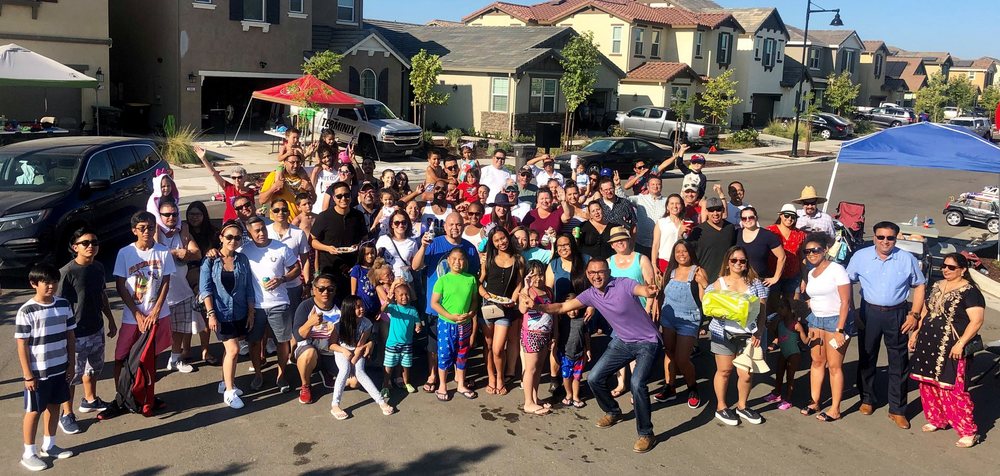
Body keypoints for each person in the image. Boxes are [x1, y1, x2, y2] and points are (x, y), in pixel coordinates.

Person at [535, 260, 660, 453]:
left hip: (647, 341)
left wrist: (649, 291)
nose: (596, 276)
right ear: (587, 274)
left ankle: (646, 434)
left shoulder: (623, 284)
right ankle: (613, 411)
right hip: (623, 341)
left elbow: (642, 290)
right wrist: (536, 307)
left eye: (601, 272)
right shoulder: (590, 294)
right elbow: (560, 308)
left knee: (637, 384)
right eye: (592, 272)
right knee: (594, 378)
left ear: (608, 272)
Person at [847, 221, 926, 429]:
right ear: (874, 237)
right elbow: (846, 283)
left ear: (896, 239)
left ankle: (897, 409)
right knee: (867, 357)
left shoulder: (906, 259)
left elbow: (919, 285)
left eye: (890, 238)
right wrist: (853, 311)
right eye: (880, 237)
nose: (885, 241)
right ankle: (867, 399)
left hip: (897, 314)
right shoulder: (860, 256)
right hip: (868, 312)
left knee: (899, 361)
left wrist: (914, 314)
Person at [909, 253, 983, 448]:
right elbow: (926, 311)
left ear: (963, 270)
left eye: (951, 267)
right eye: (944, 266)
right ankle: (937, 418)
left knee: (953, 388)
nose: (945, 270)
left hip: (951, 347)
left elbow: (976, 321)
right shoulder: (936, 285)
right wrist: (916, 333)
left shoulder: (970, 292)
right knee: (927, 383)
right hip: (928, 342)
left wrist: (961, 343)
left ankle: (968, 431)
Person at [16, 263, 77, 471]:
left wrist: (71, 364)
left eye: (54, 282)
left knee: (55, 405)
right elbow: (22, 345)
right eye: (46, 282)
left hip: (60, 368)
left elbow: (70, 335)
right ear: (34, 284)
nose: (51, 286)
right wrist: (28, 375)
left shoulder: (63, 304)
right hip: (38, 373)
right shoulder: (27, 311)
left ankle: (49, 445)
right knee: (34, 411)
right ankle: (28, 453)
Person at [411, 213, 481, 392]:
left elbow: (474, 276)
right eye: (451, 224)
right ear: (445, 225)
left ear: (463, 226)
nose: (455, 228)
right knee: (434, 345)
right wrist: (423, 246)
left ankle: (459, 377)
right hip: (437, 306)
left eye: (458, 224)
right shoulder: (434, 243)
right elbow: (415, 266)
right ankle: (432, 375)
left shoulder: (469, 248)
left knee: (459, 345)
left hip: (460, 308)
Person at [57, 229, 117, 435]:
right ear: (75, 247)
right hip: (75, 332)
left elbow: (102, 295)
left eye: (94, 242)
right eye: (85, 243)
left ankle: (90, 400)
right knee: (71, 375)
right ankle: (67, 414)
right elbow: (57, 305)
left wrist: (110, 320)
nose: (91, 246)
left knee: (93, 368)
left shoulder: (98, 267)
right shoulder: (67, 272)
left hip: (96, 327)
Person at [708, 246, 768, 427]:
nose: (738, 263)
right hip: (723, 332)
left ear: (746, 263)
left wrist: (759, 331)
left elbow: (762, 310)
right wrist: (718, 312)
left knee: (746, 374)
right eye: (734, 260)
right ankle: (721, 407)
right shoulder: (719, 283)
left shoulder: (755, 283)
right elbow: (709, 306)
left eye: (742, 260)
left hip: (748, 335)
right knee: (724, 371)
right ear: (728, 262)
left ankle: (742, 406)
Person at [199, 220, 256, 409]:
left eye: (237, 238)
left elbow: (248, 287)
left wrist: (251, 311)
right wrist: (211, 314)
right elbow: (205, 289)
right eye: (229, 237)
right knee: (233, 350)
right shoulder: (210, 260)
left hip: (239, 311)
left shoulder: (242, 259)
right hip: (220, 313)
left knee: (229, 350)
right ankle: (230, 392)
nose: (233, 241)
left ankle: (225, 382)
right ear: (221, 238)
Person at [242, 216, 301, 393]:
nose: (261, 233)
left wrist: (282, 279)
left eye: (263, 229)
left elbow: (296, 268)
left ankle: (281, 375)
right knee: (254, 342)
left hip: (279, 303)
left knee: (282, 342)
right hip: (255, 306)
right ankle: (258, 375)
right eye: (256, 231)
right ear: (249, 234)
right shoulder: (245, 251)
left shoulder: (280, 247)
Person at [113, 212, 174, 382]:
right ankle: (121, 392)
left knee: (151, 355)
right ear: (134, 230)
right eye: (142, 228)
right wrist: (137, 313)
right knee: (121, 355)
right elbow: (120, 285)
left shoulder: (163, 251)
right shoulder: (125, 253)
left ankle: (146, 390)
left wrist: (156, 311)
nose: (147, 231)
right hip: (133, 316)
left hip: (158, 313)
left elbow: (166, 282)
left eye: (150, 228)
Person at [798, 232, 852, 421]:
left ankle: (835, 409)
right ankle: (814, 402)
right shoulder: (811, 273)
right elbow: (815, 297)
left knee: (834, 366)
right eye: (807, 252)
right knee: (816, 362)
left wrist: (840, 329)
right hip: (816, 321)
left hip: (835, 321)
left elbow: (845, 301)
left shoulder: (837, 269)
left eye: (815, 250)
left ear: (826, 249)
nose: (811, 254)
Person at [654, 240, 707, 407]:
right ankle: (670, 387)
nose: (681, 254)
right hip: (668, 318)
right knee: (669, 352)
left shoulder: (698, 271)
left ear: (691, 253)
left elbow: (704, 300)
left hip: (689, 320)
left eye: (685, 251)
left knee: (682, 359)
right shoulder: (670, 271)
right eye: (678, 251)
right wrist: (658, 311)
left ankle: (692, 387)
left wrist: (704, 284)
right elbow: (662, 294)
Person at [156, 201, 203, 374]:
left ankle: (175, 359)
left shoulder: (181, 234)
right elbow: (152, 253)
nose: (171, 217)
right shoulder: (154, 233)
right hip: (158, 295)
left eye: (174, 214)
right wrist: (175, 253)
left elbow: (197, 253)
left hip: (181, 292)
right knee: (155, 332)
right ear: (159, 216)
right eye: (166, 215)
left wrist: (187, 253)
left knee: (179, 330)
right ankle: (148, 364)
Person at [329, 297, 395, 419]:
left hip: (357, 351)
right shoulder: (338, 324)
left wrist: (353, 362)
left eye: (362, 306)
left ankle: (381, 402)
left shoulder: (366, 323)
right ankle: (335, 405)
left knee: (360, 372)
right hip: (341, 351)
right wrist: (344, 351)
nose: (362, 309)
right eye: (358, 307)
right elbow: (332, 345)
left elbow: (360, 346)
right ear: (349, 310)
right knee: (344, 370)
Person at [478, 227, 524, 396]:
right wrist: (486, 295)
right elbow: (479, 282)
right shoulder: (488, 259)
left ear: (508, 237)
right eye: (496, 240)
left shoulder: (518, 259)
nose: (501, 242)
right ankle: (492, 378)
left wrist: (513, 298)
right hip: (488, 307)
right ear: (492, 243)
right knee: (488, 345)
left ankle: (500, 378)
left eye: (503, 238)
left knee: (498, 348)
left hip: (505, 309)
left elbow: (520, 282)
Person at [429, 248, 480, 401]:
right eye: (454, 259)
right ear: (449, 261)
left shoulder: (471, 279)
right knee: (445, 354)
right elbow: (434, 303)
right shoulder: (443, 280)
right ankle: (442, 385)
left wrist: (470, 313)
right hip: (446, 324)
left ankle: (461, 384)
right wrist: (450, 316)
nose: (457, 262)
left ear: (465, 262)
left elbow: (474, 300)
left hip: (465, 324)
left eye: (461, 259)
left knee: (462, 354)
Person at [310, 181, 367, 303]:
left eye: (346, 195)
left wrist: (358, 245)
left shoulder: (358, 215)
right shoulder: (324, 217)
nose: (343, 199)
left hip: (353, 268)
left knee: (351, 303)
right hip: (330, 268)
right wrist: (328, 248)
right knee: (331, 303)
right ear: (334, 198)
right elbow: (312, 241)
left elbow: (364, 238)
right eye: (339, 196)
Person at [292, 275, 341, 405]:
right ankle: (305, 386)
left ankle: (326, 371)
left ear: (335, 290)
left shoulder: (341, 305)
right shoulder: (305, 306)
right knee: (309, 353)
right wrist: (310, 323)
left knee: (354, 382)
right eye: (321, 289)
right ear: (314, 289)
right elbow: (298, 336)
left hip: (332, 352)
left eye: (330, 289)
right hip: (311, 350)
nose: (325, 292)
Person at [518, 261, 555, 415]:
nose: (538, 278)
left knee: (538, 367)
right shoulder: (527, 291)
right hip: (531, 334)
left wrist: (555, 334)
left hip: (545, 334)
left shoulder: (548, 291)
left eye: (540, 274)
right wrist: (526, 288)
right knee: (530, 368)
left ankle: (534, 397)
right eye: (533, 275)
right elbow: (522, 309)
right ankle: (528, 402)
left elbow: (553, 312)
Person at [268, 198, 311, 315]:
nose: (280, 213)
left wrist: (307, 284)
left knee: (294, 319)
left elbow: (305, 260)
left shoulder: (298, 233)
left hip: (293, 285)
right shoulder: (265, 232)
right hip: (271, 286)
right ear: (271, 212)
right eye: (276, 210)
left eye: (284, 210)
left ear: (288, 212)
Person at [764, 296, 806, 411]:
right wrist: (773, 340)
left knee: (790, 377)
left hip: (794, 353)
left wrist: (812, 338)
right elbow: (777, 336)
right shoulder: (780, 322)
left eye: (781, 307)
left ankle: (788, 399)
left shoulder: (796, 324)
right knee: (779, 373)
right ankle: (777, 393)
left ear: (788, 309)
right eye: (778, 308)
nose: (779, 310)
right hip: (783, 352)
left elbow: (805, 340)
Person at [381, 281, 422, 395]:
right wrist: (387, 301)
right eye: (401, 295)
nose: (404, 297)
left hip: (407, 343)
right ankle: (385, 385)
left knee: (406, 364)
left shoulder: (413, 310)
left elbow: (418, 322)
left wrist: (418, 327)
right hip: (393, 343)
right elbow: (383, 310)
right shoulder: (393, 308)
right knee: (389, 365)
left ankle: (406, 382)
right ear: (395, 297)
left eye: (407, 294)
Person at [195, 146, 255, 222]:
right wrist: (203, 159)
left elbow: (252, 209)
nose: (236, 180)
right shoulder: (228, 187)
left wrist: (257, 212)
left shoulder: (250, 192)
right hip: (229, 222)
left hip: (244, 222)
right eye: (234, 178)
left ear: (245, 177)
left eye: (239, 177)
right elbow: (214, 173)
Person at [688, 197, 736, 283]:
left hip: (726, 279)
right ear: (706, 211)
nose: (715, 213)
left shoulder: (730, 228)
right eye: (711, 210)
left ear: (723, 210)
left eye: (718, 209)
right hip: (705, 279)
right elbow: (687, 251)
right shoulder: (698, 230)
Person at [766, 204, 807, 305]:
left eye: (793, 217)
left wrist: (804, 278)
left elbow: (802, 257)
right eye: (787, 215)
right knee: (773, 304)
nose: (789, 219)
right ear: (780, 215)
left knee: (793, 305)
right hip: (773, 275)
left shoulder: (800, 235)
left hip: (793, 276)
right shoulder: (770, 231)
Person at [556, 292, 591, 408]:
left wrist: (588, 349)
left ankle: (576, 396)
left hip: (579, 355)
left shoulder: (583, 320)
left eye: (575, 308)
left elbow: (586, 335)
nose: (572, 312)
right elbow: (557, 335)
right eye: (569, 309)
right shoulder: (561, 320)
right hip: (565, 354)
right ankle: (569, 394)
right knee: (566, 376)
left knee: (577, 377)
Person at [735, 207, 785, 287]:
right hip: (740, 281)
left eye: (751, 217)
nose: (747, 220)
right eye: (744, 218)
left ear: (756, 218)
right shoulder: (736, 234)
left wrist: (775, 278)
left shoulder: (768, 235)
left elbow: (782, 257)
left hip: (761, 282)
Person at [259, 150, 314, 220]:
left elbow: (313, 200)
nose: (295, 165)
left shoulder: (304, 177)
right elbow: (262, 200)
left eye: (298, 162)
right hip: (280, 222)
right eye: (292, 162)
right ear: (285, 162)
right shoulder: (274, 176)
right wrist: (274, 187)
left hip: (300, 222)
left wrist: (310, 189)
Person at [376, 210, 418, 284]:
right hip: (386, 281)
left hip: (404, 281)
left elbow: (414, 265)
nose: (400, 225)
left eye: (403, 222)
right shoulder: (383, 239)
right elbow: (376, 261)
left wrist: (408, 267)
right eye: (397, 223)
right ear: (392, 225)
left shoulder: (412, 242)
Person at [628, 175, 666, 256]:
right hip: (642, 243)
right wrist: (618, 186)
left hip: (661, 243)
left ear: (661, 186)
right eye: (653, 184)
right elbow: (624, 199)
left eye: (658, 184)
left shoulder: (667, 201)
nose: (655, 186)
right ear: (648, 186)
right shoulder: (640, 198)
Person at [651, 194, 689, 274]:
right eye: (672, 203)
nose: (675, 206)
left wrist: (681, 234)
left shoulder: (686, 223)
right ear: (667, 207)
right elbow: (655, 245)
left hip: (682, 261)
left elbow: (688, 244)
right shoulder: (661, 222)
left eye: (677, 203)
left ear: (682, 206)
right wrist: (654, 264)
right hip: (664, 261)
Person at [309, 146, 339, 214]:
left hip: (333, 211)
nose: (327, 159)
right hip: (317, 210)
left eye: (328, 156)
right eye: (324, 157)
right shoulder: (317, 171)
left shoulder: (339, 171)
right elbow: (311, 187)